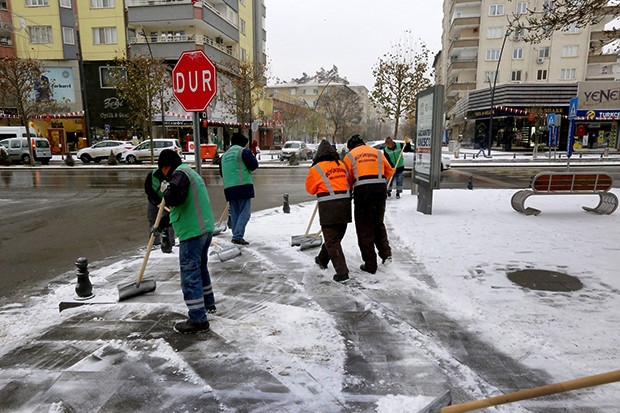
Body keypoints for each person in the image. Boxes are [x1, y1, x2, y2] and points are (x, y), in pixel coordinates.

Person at [157, 149, 216, 334]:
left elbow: (175, 197)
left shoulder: (179, 175)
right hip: (204, 228)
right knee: (200, 268)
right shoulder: (191, 173)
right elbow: (184, 203)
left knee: (190, 276)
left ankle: (198, 319)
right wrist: (167, 220)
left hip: (192, 232)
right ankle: (208, 303)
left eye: (163, 171)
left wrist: (166, 192)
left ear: (166, 167)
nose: (164, 176)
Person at [343, 134, 394, 275]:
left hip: (363, 192)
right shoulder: (377, 153)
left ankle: (371, 264)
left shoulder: (349, 156)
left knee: (364, 228)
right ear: (363, 143)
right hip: (379, 190)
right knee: (378, 223)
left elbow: (347, 180)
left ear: (351, 147)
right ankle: (386, 254)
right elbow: (389, 172)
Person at [305, 140, 352, 283]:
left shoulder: (316, 168)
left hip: (329, 207)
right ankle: (322, 259)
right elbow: (349, 182)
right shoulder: (342, 165)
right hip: (345, 205)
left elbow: (310, 189)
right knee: (336, 237)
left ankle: (342, 272)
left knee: (332, 240)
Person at [219, 132, 259, 245]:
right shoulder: (243, 152)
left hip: (229, 188)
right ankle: (237, 236)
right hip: (243, 186)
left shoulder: (224, 156)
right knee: (245, 213)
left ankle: (236, 235)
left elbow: (222, 173)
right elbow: (254, 165)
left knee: (235, 212)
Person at [144, 167, 175, 253]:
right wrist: (157, 202)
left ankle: (170, 243)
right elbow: (148, 189)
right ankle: (154, 243)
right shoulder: (153, 175)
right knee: (152, 221)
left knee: (169, 221)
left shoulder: (173, 175)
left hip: (168, 201)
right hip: (154, 201)